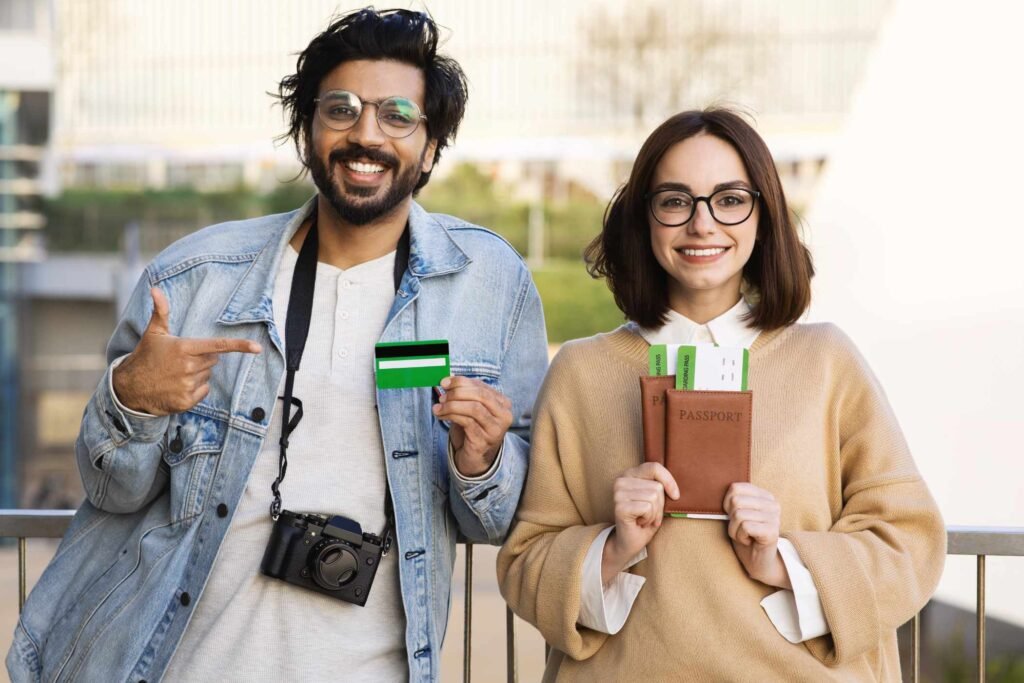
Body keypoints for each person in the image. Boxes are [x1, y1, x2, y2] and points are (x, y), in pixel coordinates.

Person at [8, 9, 548, 683]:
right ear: (306, 132)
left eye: (398, 115)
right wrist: (131, 398)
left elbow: (498, 518)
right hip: (173, 664)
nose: (366, 134)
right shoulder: (195, 278)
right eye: (341, 109)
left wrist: (484, 458)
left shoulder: (491, 285)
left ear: (432, 147)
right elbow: (111, 489)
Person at [497, 108, 945, 681]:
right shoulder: (582, 372)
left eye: (730, 199)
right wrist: (612, 546)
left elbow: (911, 540)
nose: (702, 224)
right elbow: (525, 561)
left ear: (763, 215)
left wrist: (785, 560)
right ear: (646, 219)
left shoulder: (827, 362)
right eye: (675, 200)